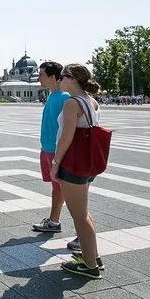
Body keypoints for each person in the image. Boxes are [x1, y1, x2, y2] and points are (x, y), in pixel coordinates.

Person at [51, 64, 103, 279]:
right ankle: (93, 256)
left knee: (79, 216)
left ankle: (90, 266)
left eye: (62, 76)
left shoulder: (72, 103)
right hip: (87, 162)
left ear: (72, 79)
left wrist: (55, 163)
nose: (59, 80)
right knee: (84, 213)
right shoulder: (91, 101)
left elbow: (66, 138)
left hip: (73, 163)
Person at [32, 62, 72, 238]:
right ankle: (54, 220)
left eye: (41, 74)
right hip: (47, 148)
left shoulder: (65, 97)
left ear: (53, 77)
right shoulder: (52, 95)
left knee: (62, 188)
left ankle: (56, 221)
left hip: (56, 150)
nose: (38, 78)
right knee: (57, 187)